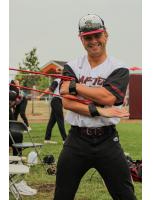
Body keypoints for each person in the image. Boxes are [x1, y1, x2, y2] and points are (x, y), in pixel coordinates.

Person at [54, 14, 136, 200]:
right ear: (81, 39)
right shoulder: (72, 66)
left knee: (125, 195)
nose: (93, 41)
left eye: (97, 35)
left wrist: (75, 87)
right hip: (76, 141)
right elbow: (67, 102)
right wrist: (98, 110)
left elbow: (108, 97)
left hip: (107, 140)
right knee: (62, 195)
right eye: (88, 37)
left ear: (106, 35)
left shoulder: (119, 67)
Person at [39, 76, 67, 144]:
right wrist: (40, 95)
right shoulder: (57, 80)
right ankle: (65, 140)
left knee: (52, 121)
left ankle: (47, 139)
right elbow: (50, 89)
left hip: (58, 101)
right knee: (60, 120)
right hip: (56, 101)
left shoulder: (66, 82)